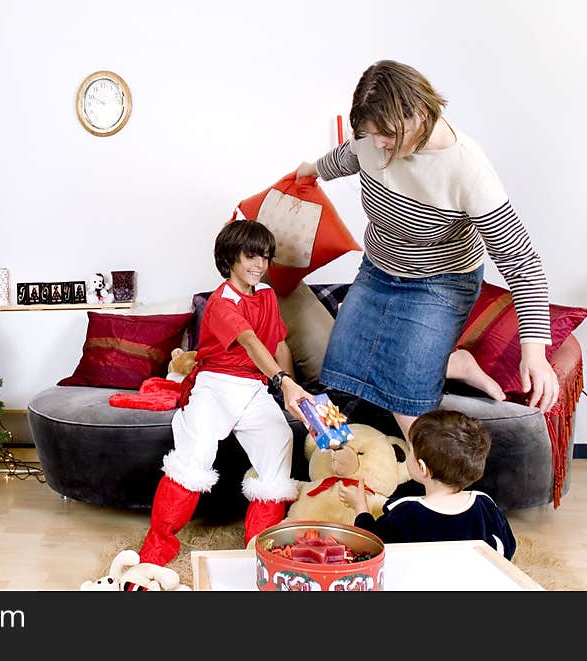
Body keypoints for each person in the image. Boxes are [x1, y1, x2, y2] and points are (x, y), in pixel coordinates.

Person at [294, 60, 559, 440]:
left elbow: (522, 263)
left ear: (418, 114)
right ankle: (454, 363)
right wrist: (311, 170)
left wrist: (534, 353)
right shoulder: (372, 141)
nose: (379, 146)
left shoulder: (466, 169)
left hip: (440, 283)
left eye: (387, 137)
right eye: (371, 136)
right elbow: (350, 156)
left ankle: (432, 481)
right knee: (342, 372)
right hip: (378, 269)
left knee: (407, 400)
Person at [138, 219, 314, 566]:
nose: (259, 265)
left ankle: (260, 551)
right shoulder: (221, 303)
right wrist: (283, 381)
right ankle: (156, 552)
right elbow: (249, 341)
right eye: (251, 256)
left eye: (265, 257)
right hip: (215, 385)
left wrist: (291, 393)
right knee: (196, 453)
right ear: (230, 257)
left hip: (255, 387)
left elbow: (277, 344)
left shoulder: (266, 296)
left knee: (279, 440)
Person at [338, 409, 516, 560]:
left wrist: (360, 507)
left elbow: (371, 547)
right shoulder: (485, 504)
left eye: (411, 451)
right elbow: (507, 548)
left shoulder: (406, 513)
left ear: (422, 468)